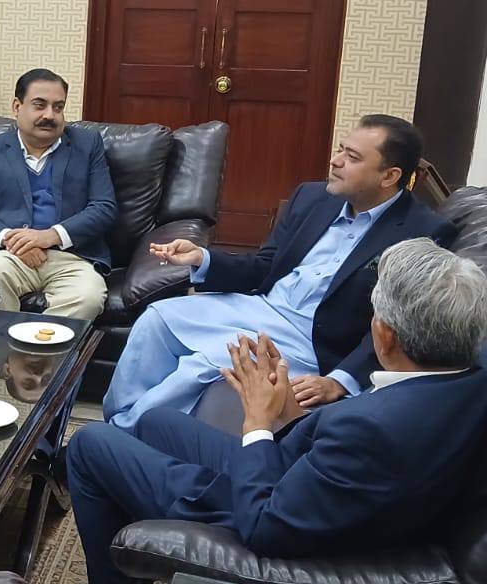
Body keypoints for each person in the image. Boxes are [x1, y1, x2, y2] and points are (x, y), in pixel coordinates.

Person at [57, 238, 487, 584]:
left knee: (90, 445)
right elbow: (337, 455)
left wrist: (258, 421)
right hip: (300, 473)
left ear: (384, 337)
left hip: (261, 509)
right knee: (156, 421)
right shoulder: (477, 370)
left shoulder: (374, 428)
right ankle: (135, 571)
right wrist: (288, 410)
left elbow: (265, 527)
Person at [101, 114, 454, 428]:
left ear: (390, 176)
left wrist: (340, 380)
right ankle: (116, 417)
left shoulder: (421, 232)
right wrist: (201, 259)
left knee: (207, 365)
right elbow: (265, 266)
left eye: (352, 157)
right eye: (340, 149)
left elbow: (396, 325)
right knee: (157, 317)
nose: (335, 161)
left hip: (310, 340)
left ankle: (119, 433)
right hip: (262, 308)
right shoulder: (313, 198)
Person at [0, 69, 117, 320]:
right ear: (17, 106)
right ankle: (3, 345)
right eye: (40, 105)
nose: (49, 115)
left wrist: (49, 236)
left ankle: (39, 346)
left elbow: (104, 207)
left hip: (72, 256)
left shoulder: (87, 144)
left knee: (89, 296)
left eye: (58, 107)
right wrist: (12, 240)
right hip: (11, 255)